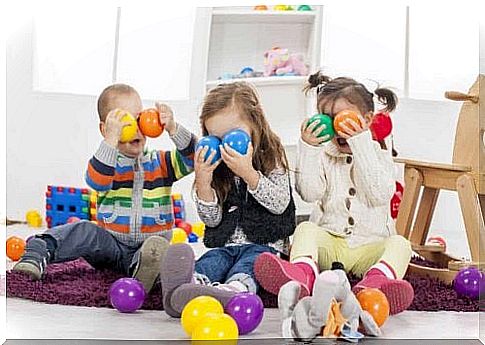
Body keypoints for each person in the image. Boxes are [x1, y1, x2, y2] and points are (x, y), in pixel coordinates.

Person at [254, 72, 414, 315]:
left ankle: (375, 285)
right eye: (326, 118)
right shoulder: (323, 152)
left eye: (343, 117)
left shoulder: (378, 153)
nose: (335, 126)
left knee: (401, 244)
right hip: (331, 244)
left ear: (368, 119)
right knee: (305, 229)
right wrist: (308, 148)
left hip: (369, 248)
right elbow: (309, 192)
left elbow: (378, 194)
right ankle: (302, 276)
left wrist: (360, 143)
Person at [13, 84, 196, 293]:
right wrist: (111, 140)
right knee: (85, 230)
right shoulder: (108, 163)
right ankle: (40, 250)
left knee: (159, 250)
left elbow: (194, 158)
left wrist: (173, 128)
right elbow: (96, 181)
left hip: (147, 248)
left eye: (139, 118)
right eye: (124, 122)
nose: (135, 128)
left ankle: (145, 272)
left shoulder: (162, 162)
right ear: (105, 129)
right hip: (110, 244)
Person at [159, 82, 296, 317]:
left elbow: (280, 203)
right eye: (215, 138)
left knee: (251, 264)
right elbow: (212, 221)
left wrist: (249, 174)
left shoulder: (271, 155)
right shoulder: (215, 165)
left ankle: (234, 290)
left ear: (255, 123)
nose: (224, 147)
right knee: (213, 260)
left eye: (233, 136)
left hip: (265, 245)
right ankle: (187, 286)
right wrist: (203, 182)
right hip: (226, 245)